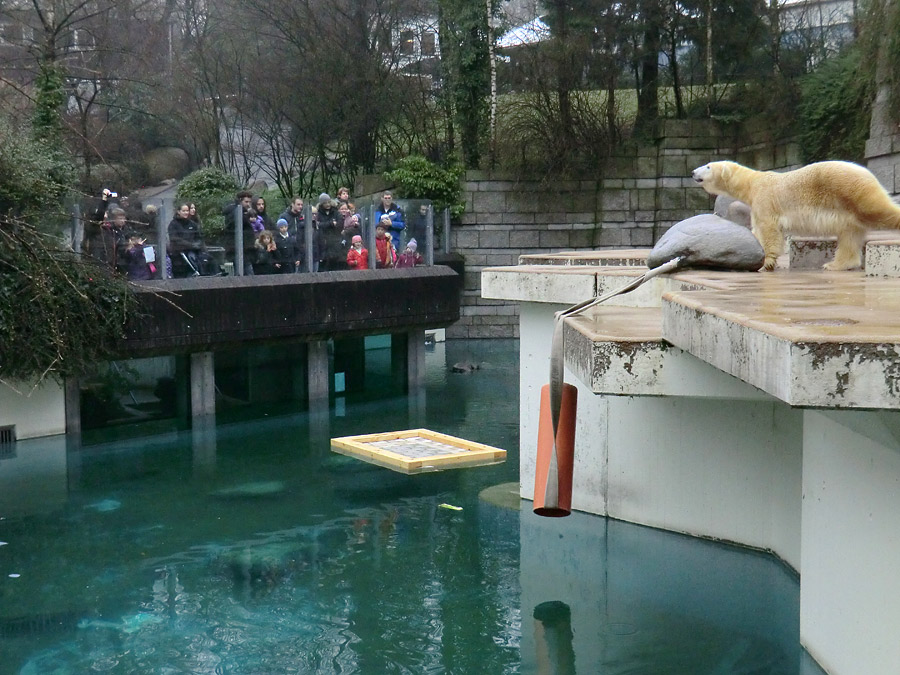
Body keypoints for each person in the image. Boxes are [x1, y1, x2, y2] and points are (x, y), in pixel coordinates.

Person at [223, 190, 256, 274]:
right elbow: (234, 224)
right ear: (240, 201)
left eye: (249, 202)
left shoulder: (243, 212)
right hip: (237, 249)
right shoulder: (235, 212)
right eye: (246, 202)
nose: (248, 204)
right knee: (247, 273)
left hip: (244, 249)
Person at [168, 203, 206, 278]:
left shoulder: (192, 224)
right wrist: (190, 244)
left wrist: (198, 245)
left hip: (192, 254)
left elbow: (198, 236)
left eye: (187, 211)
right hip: (179, 256)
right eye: (183, 211)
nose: (186, 213)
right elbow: (174, 238)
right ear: (178, 212)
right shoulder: (173, 224)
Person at [315, 193, 345, 271]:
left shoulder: (336, 212)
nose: (328, 204)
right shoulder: (318, 213)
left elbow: (340, 225)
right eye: (325, 203)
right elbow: (317, 225)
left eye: (329, 202)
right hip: (323, 244)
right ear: (321, 204)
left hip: (335, 243)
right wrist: (331, 223)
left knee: (335, 266)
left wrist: (325, 225)